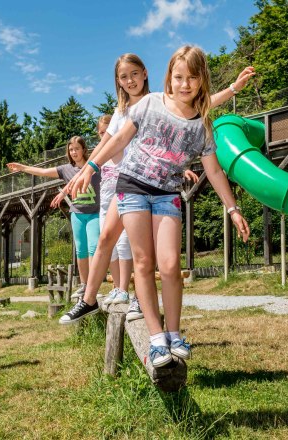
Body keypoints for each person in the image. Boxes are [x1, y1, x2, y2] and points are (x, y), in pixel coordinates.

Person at [72, 46, 250, 368]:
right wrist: (90, 167)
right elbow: (118, 139)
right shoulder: (151, 103)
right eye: (179, 77)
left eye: (192, 78)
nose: (184, 84)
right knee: (143, 261)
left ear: (201, 81)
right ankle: (156, 339)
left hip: (167, 194)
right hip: (133, 188)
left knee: (168, 265)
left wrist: (232, 208)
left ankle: (174, 333)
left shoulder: (202, 126)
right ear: (170, 77)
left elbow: (213, 170)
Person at [7, 136, 100, 298]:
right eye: (71, 150)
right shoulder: (66, 169)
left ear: (84, 150)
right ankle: (84, 285)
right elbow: (43, 172)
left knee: (93, 248)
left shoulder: (94, 165)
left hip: (95, 213)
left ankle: (93, 286)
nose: (74, 152)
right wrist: (22, 168)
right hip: (77, 214)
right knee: (81, 251)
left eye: (77, 149)